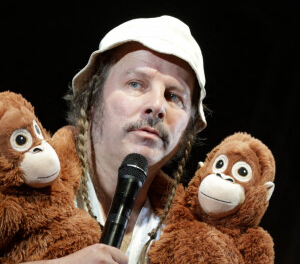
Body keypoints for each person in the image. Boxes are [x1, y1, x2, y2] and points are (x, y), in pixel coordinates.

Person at [27, 15, 207, 264]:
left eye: (173, 96)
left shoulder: (191, 243)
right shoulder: (17, 181)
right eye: (136, 84)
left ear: (189, 128)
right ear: (92, 99)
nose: (156, 106)